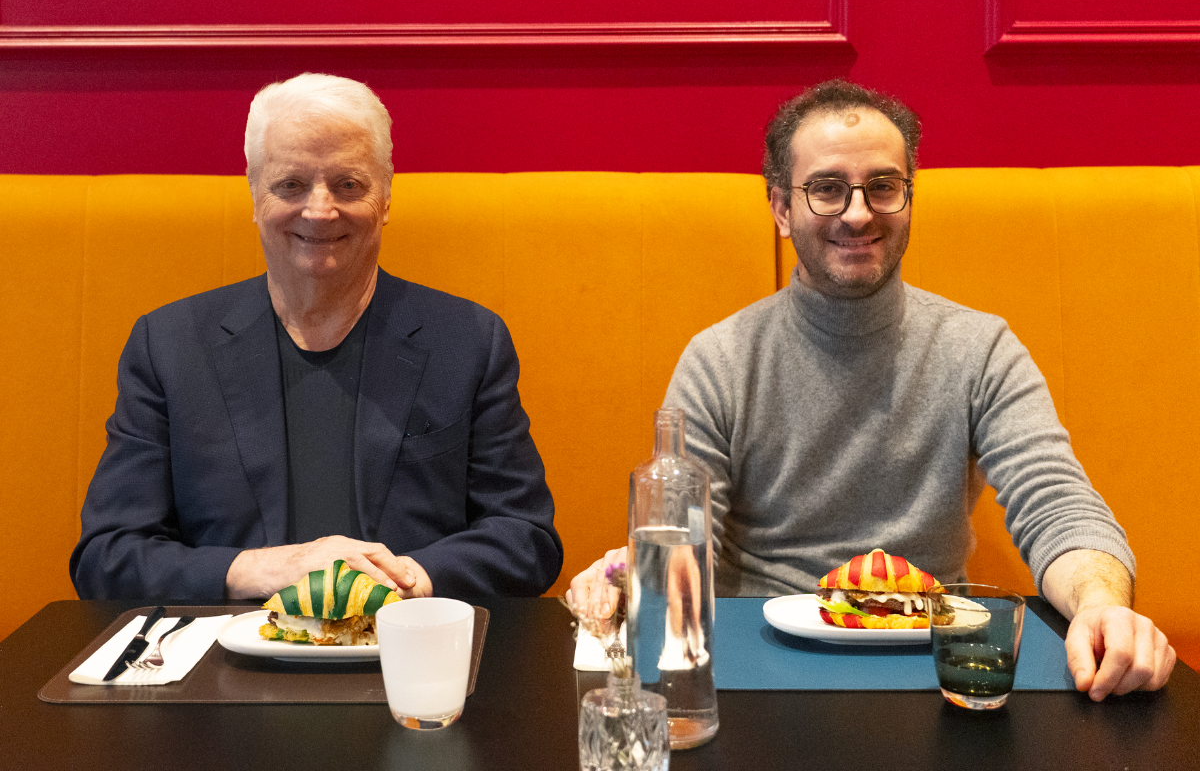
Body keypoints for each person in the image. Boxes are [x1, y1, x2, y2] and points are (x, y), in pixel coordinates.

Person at [569, 79, 1175, 700]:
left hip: (938, 672)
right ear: (781, 209)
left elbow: (1057, 505)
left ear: (909, 198)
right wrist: (628, 568)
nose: (858, 213)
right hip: (760, 670)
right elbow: (682, 534)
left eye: (882, 186)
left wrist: (1104, 606)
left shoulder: (982, 348)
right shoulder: (719, 359)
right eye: (826, 189)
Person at [70, 73, 562, 602]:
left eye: (348, 185)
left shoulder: (467, 341)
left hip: (410, 656)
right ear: (256, 195)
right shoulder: (168, 346)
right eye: (291, 185)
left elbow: (526, 539)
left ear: (387, 198)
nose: (320, 210)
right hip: (225, 670)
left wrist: (405, 578)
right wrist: (269, 568)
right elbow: (108, 556)